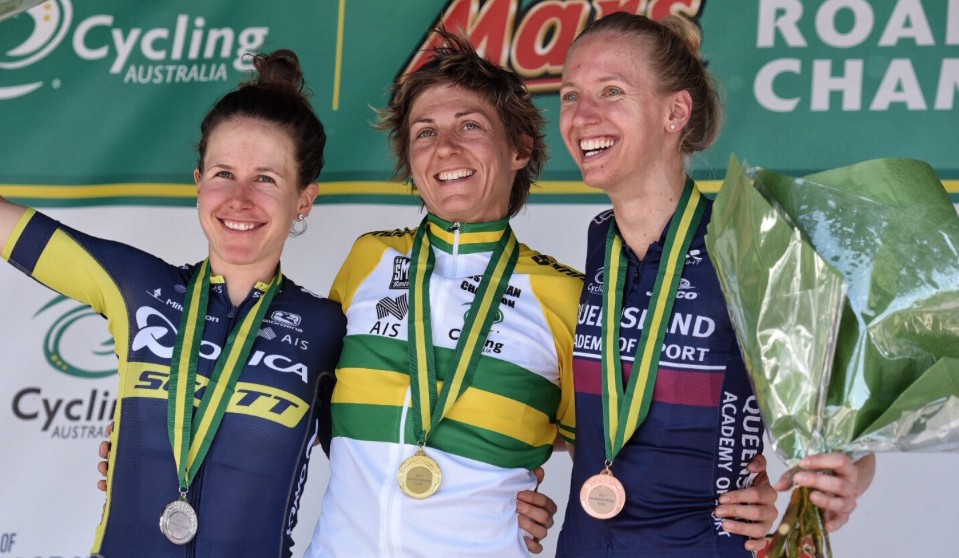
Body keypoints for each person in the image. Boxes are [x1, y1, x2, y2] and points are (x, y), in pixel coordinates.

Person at [553, 12, 875, 557]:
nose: (583, 116)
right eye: (568, 96)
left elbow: (841, 435)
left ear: (675, 112)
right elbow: (595, 420)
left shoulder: (748, 243)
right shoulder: (599, 241)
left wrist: (839, 484)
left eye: (611, 92)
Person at [0, 50, 346, 557]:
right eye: (223, 173)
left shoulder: (329, 330)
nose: (240, 198)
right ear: (198, 182)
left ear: (304, 199)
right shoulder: (136, 286)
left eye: (267, 179)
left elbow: (388, 471)